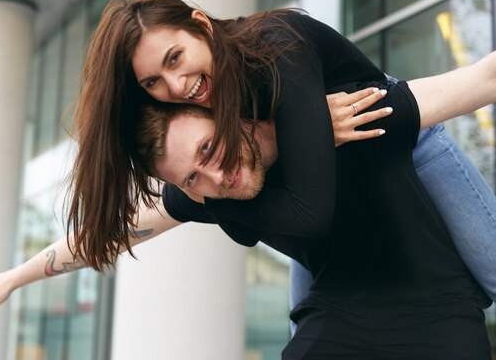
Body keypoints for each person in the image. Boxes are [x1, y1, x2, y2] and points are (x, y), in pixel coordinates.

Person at [0, 0, 496, 328]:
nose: (178, 86)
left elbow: (477, 80)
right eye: (153, 81)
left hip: (390, 142)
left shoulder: (280, 50)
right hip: (312, 200)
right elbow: (131, 223)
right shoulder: (208, 155)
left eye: (175, 58)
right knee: (313, 325)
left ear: (201, 25)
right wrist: (16, 276)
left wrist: (298, 132)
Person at [131, 69, 495, 358]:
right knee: (306, 337)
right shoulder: (215, 188)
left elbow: (482, 79)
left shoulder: (349, 112)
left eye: (209, 148)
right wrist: (74, 254)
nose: (216, 172)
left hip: (408, 145)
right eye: (193, 176)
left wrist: (316, 125)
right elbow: (141, 221)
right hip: (335, 263)